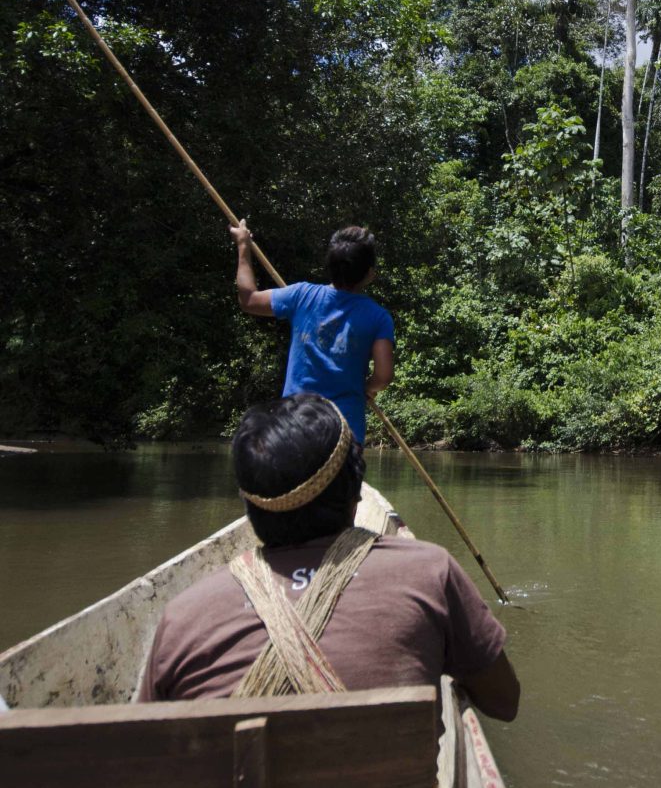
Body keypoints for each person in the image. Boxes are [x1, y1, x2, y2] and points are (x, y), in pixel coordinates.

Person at [139, 393, 520, 719]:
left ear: (249, 506)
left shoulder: (182, 619)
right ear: (355, 492)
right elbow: (504, 702)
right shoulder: (429, 572)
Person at [232, 220, 395, 444]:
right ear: (369, 274)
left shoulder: (301, 295)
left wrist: (243, 247)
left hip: (294, 425)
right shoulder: (378, 317)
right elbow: (384, 376)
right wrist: (369, 387)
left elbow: (248, 299)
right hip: (343, 429)